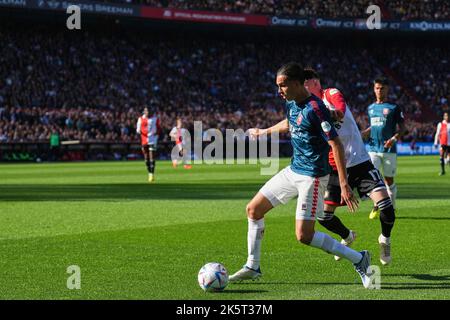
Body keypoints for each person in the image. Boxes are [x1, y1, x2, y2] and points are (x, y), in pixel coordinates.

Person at [229, 62, 373, 288]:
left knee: (304, 236)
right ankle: (252, 266)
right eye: (278, 86)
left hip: (313, 177)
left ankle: (359, 258)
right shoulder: (291, 103)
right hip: (293, 170)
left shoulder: (316, 108)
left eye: (283, 85)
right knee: (253, 210)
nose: (279, 91)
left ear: (297, 83)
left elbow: (335, 143)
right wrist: (264, 131)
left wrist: (344, 184)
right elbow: (290, 122)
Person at [304, 68, 396, 265]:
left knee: (387, 207)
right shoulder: (306, 108)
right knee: (323, 217)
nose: (303, 87)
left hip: (360, 161)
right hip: (335, 167)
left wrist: (319, 114)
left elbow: (339, 113)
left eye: (306, 82)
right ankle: (347, 236)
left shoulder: (331, 94)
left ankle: (384, 239)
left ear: (316, 82)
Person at [361, 77, 405, 219]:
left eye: (382, 88)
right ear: (374, 89)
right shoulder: (371, 108)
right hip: (373, 148)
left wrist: (393, 139)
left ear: (387, 89)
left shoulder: (394, 108)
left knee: (389, 180)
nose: (379, 90)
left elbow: (403, 129)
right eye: (377, 88)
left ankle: (392, 207)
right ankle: (377, 204)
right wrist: (364, 133)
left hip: (388, 150)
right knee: (372, 178)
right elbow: (374, 126)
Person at [136, 107, 161, 182]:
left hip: (152, 140)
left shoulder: (155, 119)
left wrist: (156, 134)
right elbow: (138, 130)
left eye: (149, 111)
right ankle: (149, 172)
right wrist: (142, 133)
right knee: (146, 158)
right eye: (146, 111)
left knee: (152, 156)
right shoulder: (140, 119)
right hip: (144, 141)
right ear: (144, 112)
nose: (148, 112)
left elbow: (159, 129)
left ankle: (151, 174)